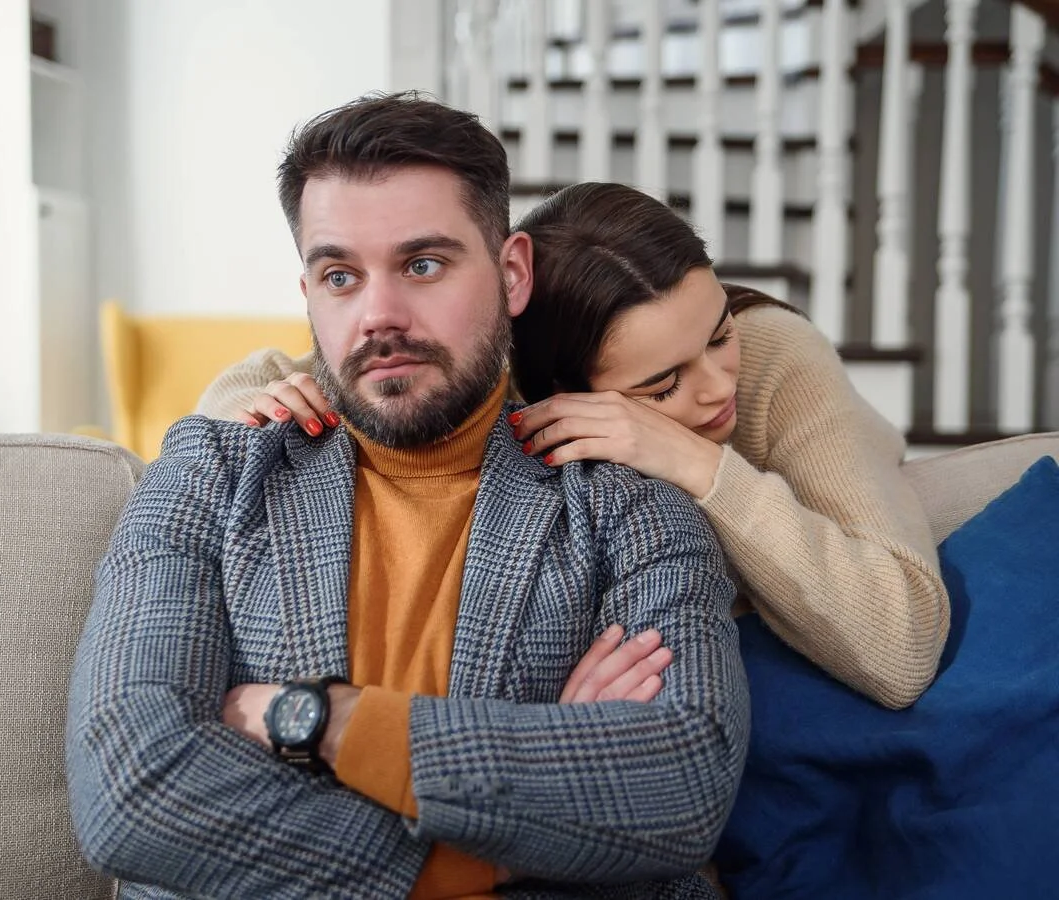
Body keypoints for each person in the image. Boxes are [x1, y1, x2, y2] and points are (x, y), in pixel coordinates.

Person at [67, 93, 749, 900]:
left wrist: (323, 721)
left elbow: (680, 786)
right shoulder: (212, 474)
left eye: (423, 265)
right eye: (340, 276)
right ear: (310, 293)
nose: (379, 315)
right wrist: (489, 852)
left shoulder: (625, 504)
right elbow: (132, 789)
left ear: (512, 272)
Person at [201, 181, 949, 711]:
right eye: (661, 385)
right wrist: (241, 405)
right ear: (555, 392)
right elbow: (279, 376)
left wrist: (697, 462)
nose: (718, 386)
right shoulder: (505, 384)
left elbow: (903, 645)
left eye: (718, 333)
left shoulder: (773, 358)